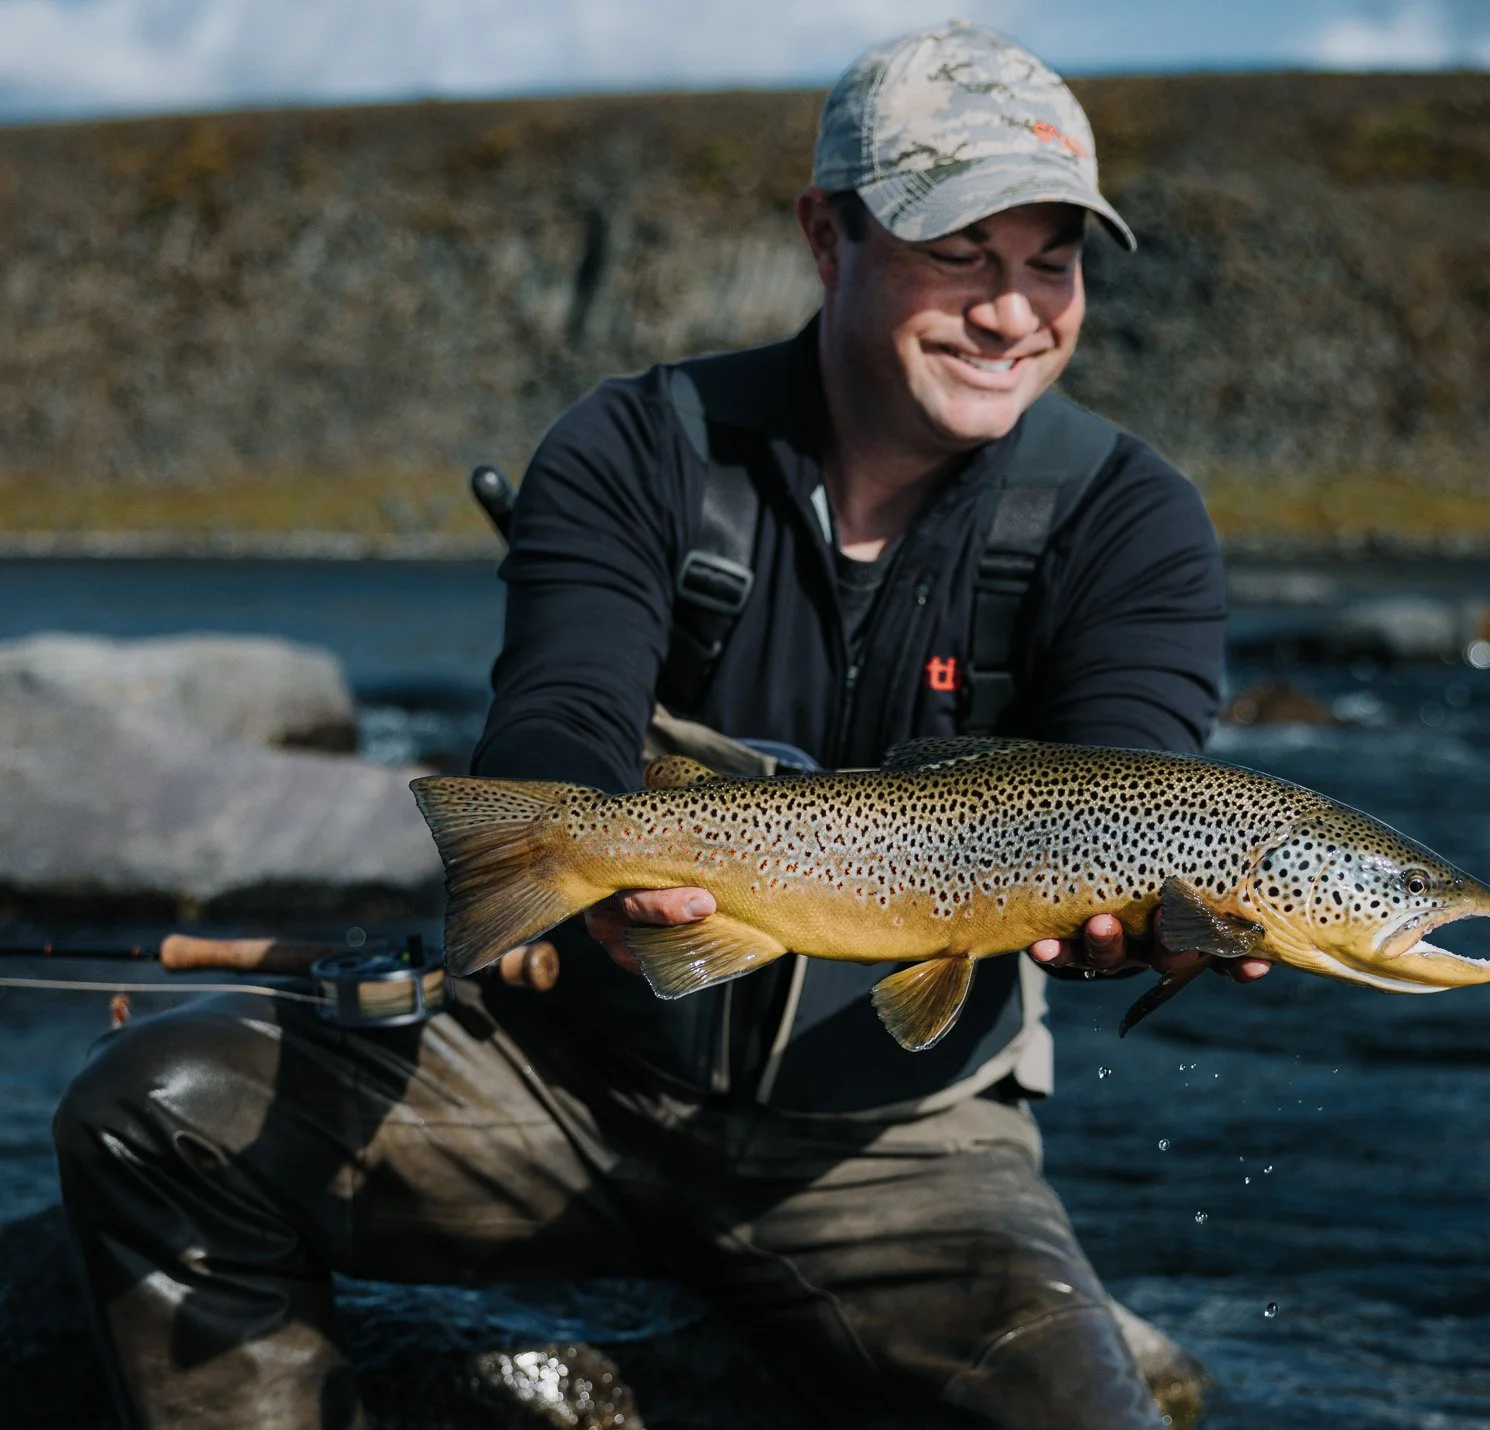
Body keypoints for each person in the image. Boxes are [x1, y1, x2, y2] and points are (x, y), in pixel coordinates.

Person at [53, 22, 1264, 1429]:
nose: (1010, 314)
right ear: (828, 234)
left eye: (1048, 262)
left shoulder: (1132, 520)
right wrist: (581, 882)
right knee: (151, 1107)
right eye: (957, 254)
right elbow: (561, 708)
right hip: (564, 1077)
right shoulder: (641, 444)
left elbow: (1141, 780)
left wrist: (1151, 925)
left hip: (898, 1147)